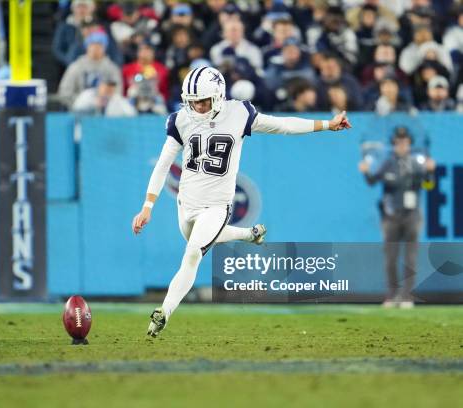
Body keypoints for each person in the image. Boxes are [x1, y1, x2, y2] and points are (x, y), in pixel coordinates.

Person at [132, 66, 352, 337]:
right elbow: (164, 164)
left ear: (218, 95)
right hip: (186, 204)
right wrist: (148, 206)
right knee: (200, 240)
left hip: (217, 205)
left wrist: (326, 125)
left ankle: (163, 313)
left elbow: (282, 125)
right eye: (193, 102)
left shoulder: (238, 113)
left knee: (192, 253)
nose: (198, 107)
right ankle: (249, 235)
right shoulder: (181, 120)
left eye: (203, 101)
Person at [358, 127, 435, 309]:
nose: (401, 145)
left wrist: (430, 171)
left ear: (409, 143)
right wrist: (366, 171)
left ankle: (407, 296)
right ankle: (392, 296)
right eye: (398, 142)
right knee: (391, 258)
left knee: (411, 258)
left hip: (412, 215)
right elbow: (372, 181)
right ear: (394, 144)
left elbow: (429, 184)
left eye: (405, 141)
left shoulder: (417, 162)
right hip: (390, 216)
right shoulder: (388, 162)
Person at [56, 30, 122, 109]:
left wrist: (103, 102)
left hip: (106, 111)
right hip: (80, 110)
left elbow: (117, 92)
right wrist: (82, 101)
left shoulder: (111, 68)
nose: (96, 48)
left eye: (99, 45)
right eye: (92, 44)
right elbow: (64, 93)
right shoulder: (76, 66)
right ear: (87, 46)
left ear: (105, 47)